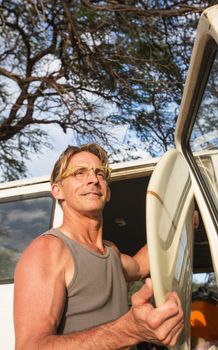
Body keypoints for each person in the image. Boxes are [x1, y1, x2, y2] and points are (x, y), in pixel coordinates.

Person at [14, 143, 184, 350]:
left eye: (100, 174)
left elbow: (141, 265)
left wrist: (176, 222)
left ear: (108, 192)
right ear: (58, 191)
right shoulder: (48, 250)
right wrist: (129, 330)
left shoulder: (111, 251)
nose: (93, 180)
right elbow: (30, 347)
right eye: (79, 173)